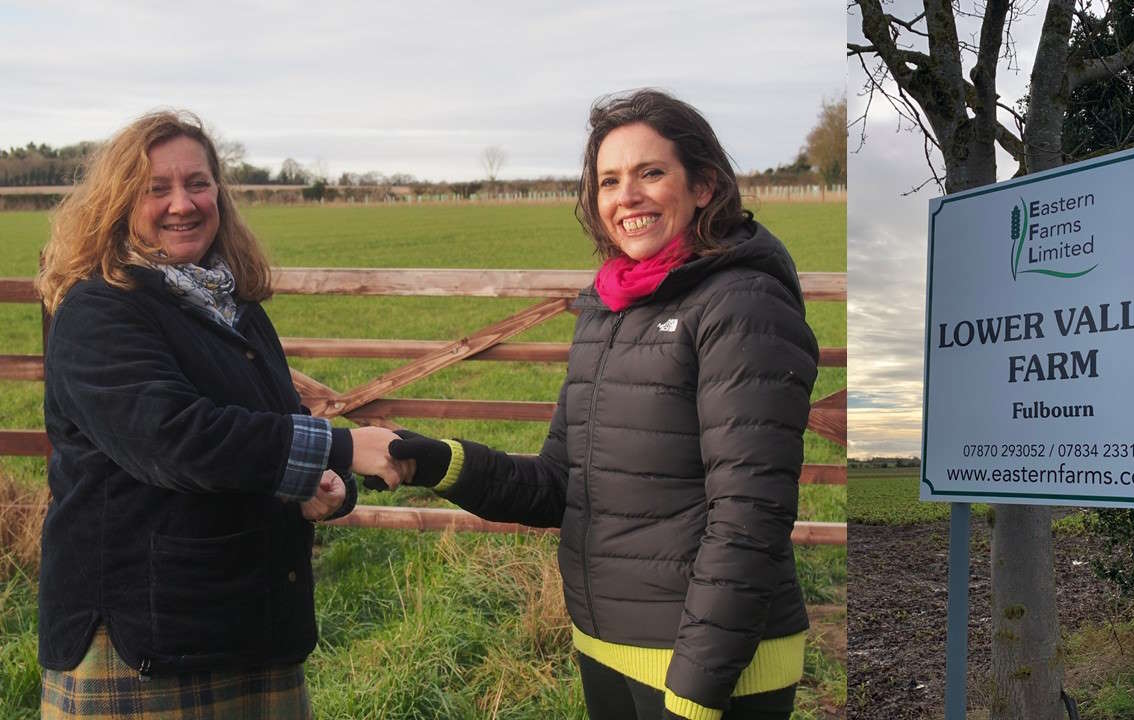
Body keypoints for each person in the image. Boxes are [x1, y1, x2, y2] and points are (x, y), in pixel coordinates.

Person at [390, 89, 819, 720]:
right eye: (609, 180)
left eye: (651, 173)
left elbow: (748, 516)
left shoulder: (741, 304)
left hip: (712, 672)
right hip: (608, 645)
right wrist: (432, 462)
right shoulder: (608, 312)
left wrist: (696, 695)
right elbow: (559, 486)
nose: (628, 197)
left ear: (703, 186)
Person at [34, 110, 411, 718]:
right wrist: (341, 448)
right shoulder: (99, 310)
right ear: (118, 201)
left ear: (220, 194)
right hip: (142, 642)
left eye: (198, 183)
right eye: (156, 188)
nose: (182, 203)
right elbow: (173, 437)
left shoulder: (229, 302)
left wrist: (321, 484)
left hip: (248, 622)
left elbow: (270, 425)